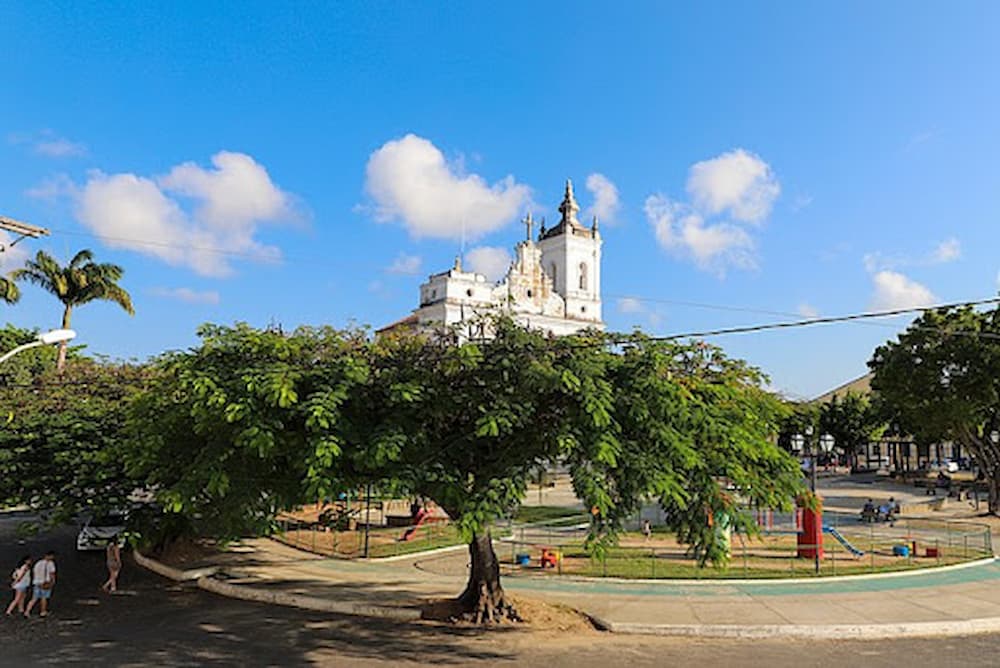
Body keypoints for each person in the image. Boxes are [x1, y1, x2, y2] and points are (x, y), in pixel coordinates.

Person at [24, 550, 56, 618]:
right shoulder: (50, 563)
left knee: (34, 598)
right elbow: (52, 574)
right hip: (45, 582)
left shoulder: (38, 563)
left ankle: (27, 611)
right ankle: (43, 612)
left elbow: (34, 572)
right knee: (44, 598)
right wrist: (52, 582)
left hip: (37, 582)